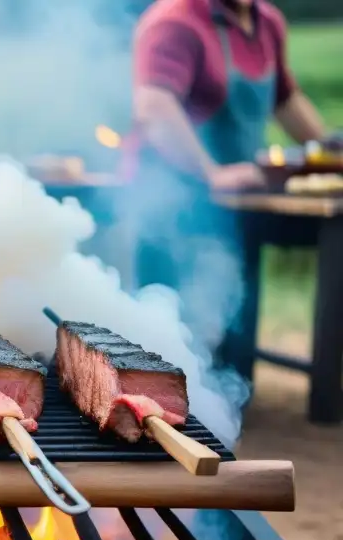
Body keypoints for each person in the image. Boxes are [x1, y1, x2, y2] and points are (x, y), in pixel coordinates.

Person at [121, 0, 327, 382]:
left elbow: (286, 99)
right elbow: (154, 107)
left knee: (235, 326)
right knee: (163, 332)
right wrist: (211, 173)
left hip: (240, 201)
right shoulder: (173, 21)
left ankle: (227, 401)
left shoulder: (267, 22)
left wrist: (329, 152)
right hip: (172, 200)